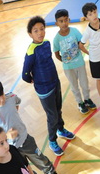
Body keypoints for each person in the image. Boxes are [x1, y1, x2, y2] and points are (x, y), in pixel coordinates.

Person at [0, 76, 65, 174]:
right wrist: (6, 136)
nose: (2, 99)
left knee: (40, 159)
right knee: (24, 169)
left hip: (26, 140)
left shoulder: (11, 97)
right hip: (10, 149)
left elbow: (17, 103)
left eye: (2, 94)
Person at [22, 16, 76, 156]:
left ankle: (61, 129)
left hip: (55, 82)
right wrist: (34, 81)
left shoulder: (46, 43)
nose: (40, 33)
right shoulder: (31, 51)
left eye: (41, 29)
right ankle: (52, 141)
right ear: (30, 34)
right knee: (51, 116)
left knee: (58, 110)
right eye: (35, 31)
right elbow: (25, 75)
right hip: (44, 89)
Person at [52, 8, 95, 113]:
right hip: (68, 67)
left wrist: (90, 53)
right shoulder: (56, 39)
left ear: (69, 20)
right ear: (57, 23)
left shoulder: (75, 31)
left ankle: (87, 99)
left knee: (84, 84)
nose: (64, 23)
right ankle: (80, 102)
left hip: (80, 63)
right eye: (61, 21)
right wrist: (66, 61)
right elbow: (57, 54)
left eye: (66, 20)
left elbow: (81, 44)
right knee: (74, 86)